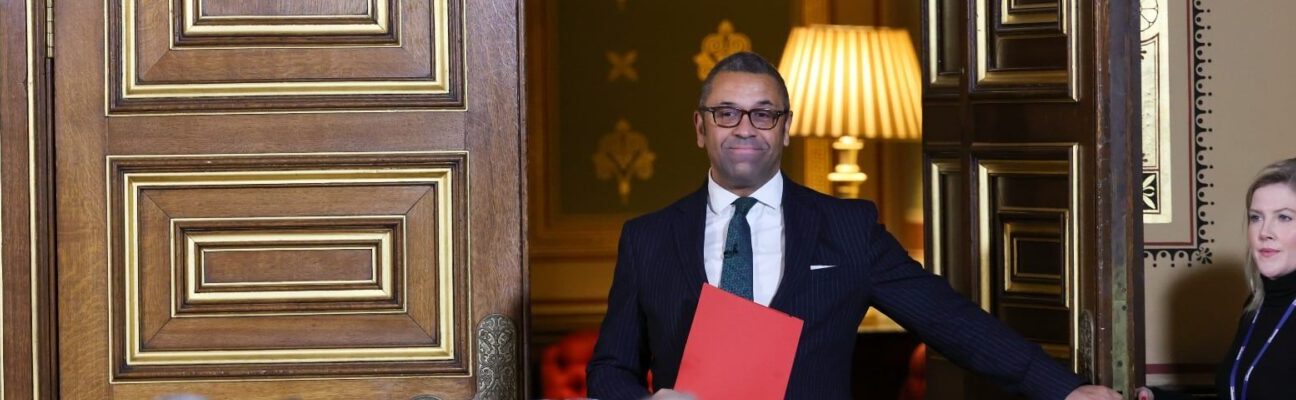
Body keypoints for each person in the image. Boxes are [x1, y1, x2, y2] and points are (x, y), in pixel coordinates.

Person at [585, 51, 1120, 400]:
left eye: (763, 114)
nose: (744, 128)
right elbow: (610, 369)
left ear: (786, 128)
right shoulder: (647, 238)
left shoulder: (847, 228)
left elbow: (949, 320)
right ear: (700, 127)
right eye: (726, 113)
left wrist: (1065, 391)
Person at [1138, 158, 1296, 400]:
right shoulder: (1255, 306)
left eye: (1284, 217)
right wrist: (1155, 397)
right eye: (1256, 217)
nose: (1265, 232)